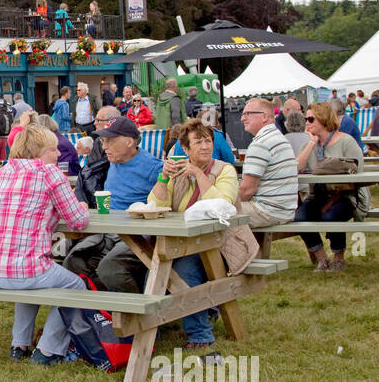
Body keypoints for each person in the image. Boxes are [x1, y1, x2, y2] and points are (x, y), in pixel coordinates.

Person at [0, 125, 89, 364]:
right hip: (23, 270)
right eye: (52, 150)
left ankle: (19, 345)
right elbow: (78, 221)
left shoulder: (3, 172)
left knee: (27, 279)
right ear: (38, 152)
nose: (58, 154)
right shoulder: (50, 173)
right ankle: (48, 350)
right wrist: (83, 208)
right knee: (75, 286)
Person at [147, 119, 239, 349]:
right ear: (185, 150)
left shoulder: (225, 170)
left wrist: (198, 173)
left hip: (218, 244)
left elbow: (222, 205)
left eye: (208, 141)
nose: (205, 146)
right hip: (180, 241)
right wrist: (164, 177)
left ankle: (200, 335)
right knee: (145, 266)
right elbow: (155, 204)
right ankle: (150, 328)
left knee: (183, 270)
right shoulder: (178, 169)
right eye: (198, 142)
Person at [92, 117, 166, 295]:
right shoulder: (115, 160)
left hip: (136, 237)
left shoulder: (153, 168)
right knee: (74, 260)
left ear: (129, 141)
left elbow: (167, 203)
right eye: (103, 141)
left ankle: (138, 317)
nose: (104, 147)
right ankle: (98, 315)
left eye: (110, 141)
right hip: (107, 231)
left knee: (110, 268)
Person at [294, 101, 369, 271]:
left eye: (311, 119)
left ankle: (338, 258)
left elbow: (359, 174)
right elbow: (297, 166)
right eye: (306, 118)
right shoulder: (310, 144)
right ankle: (322, 259)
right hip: (318, 196)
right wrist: (312, 143)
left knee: (331, 216)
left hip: (347, 196)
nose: (306, 122)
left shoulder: (346, 142)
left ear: (323, 119)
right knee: (300, 218)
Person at [237, 98, 298, 229]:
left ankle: (248, 250)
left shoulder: (261, 143)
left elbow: (247, 190)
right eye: (243, 114)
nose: (242, 118)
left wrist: (225, 199)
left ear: (264, 116)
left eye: (247, 114)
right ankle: (253, 249)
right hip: (284, 210)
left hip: (267, 210)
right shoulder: (278, 137)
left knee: (215, 215)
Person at [74, 106, 126, 203]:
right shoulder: (98, 141)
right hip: (98, 193)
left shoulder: (125, 145)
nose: (94, 123)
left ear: (111, 122)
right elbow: (91, 169)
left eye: (98, 120)